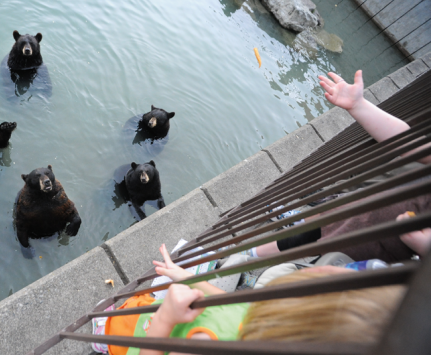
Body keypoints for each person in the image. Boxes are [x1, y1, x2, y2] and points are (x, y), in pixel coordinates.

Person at [244, 70, 431, 262]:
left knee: (317, 251)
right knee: (319, 222)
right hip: (364, 207)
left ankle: (253, 261)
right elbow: (410, 143)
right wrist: (358, 106)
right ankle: (250, 255)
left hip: (369, 249)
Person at [92, 244, 404, 355]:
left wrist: (164, 319)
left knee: (119, 324)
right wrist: (183, 277)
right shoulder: (261, 316)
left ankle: (105, 342)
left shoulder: (205, 344)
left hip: (146, 336)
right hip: (178, 316)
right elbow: (224, 301)